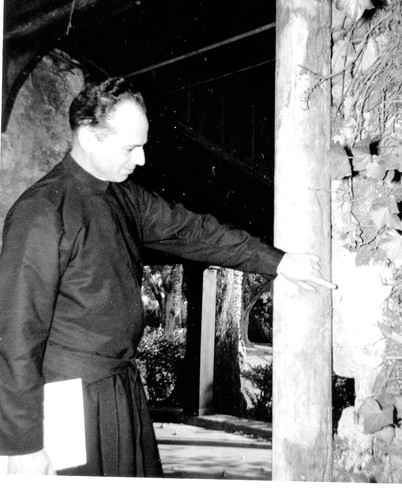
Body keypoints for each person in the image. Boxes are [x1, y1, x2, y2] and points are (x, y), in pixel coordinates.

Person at [0, 77, 335, 477]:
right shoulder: (41, 211)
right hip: (67, 399)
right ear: (89, 137)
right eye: (130, 147)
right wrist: (21, 443)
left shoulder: (124, 196)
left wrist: (277, 262)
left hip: (120, 386)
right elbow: (16, 336)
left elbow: (194, 232)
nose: (141, 159)